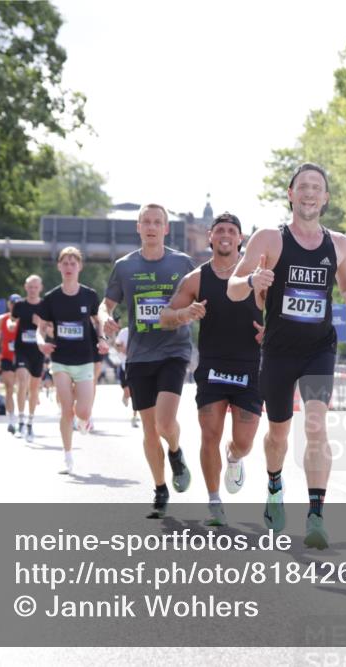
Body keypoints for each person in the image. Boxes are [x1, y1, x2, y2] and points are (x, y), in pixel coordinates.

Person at [227, 163, 346, 549]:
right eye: (303, 187)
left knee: (316, 425)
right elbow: (233, 289)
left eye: (317, 188)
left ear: (325, 198)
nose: (309, 193)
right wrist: (253, 280)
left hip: (319, 349)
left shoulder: (338, 243)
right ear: (290, 194)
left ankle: (316, 515)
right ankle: (274, 485)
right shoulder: (269, 239)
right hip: (277, 350)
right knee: (277, 432)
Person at [162, 212, 263, 527]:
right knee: (209, 434)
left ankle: (233, 459)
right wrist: (185, 314)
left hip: (250, 368)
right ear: (210, 236)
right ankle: (214, 502)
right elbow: (165, 315)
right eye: (219, 230)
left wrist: (270, 333)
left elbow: (279, 315)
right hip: (213, 368)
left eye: (232, 231)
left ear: (240, 238)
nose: (225, 235)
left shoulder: (257, 276)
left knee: (244, 443)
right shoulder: (197, 278)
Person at [98, 203, 195, 518]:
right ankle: (160, 489)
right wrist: (105, 319)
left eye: (157, 222)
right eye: (146, 222)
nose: (151, 227)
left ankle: (176, 453)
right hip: (139, 356)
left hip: (173, 350)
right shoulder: (124, 266)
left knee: (165, 423)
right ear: (138, 228)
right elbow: (106, 304)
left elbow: (204, 295)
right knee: (150, 430)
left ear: (166, 229)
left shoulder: (182, 263)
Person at [36, 247, 107, 474]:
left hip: (85, 359)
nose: (68, 267)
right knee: (67, 410)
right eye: (64, 263)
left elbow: (99, 320)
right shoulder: (52, 298)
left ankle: (84, 420)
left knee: (83, 412)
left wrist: (103, 338)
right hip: (61, 360)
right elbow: (40, 329)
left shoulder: (89, 295)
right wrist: (41, 342)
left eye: (72, 264)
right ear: (59, 266)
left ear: (79, 267)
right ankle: (68, 457)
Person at [8, 275, 47, 442]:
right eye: (30, 287)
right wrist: (11, 325)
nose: (32, 290)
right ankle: (20, 421)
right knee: (22, 379)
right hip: (22, 349)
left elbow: (52, 330)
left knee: (34, 388)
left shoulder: (46, 306)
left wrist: (40, 324)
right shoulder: (19, 305)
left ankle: (30, 421)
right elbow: (12, 320)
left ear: (40, 288)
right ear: (25, 287)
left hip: (38, 351)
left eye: (35, 287)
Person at [0, 294, 22, 432]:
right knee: (9, 387)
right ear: (9, 304)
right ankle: (11, 419)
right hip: (7, 357)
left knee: (22, 388)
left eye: (17, 303)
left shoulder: (25, 319)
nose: (14, 305)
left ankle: (22, 418)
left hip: (23, 357)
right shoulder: (1, 319)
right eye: (12, 303)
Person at [113, 322, 138, 428]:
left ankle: (134, 417)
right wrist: (122, 349)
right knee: (128, 392)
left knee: (136, 394)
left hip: (137, 366)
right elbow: (116, 345)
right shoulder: (124, 332)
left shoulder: (143, 332)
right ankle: (125, 395)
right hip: (124, 366)